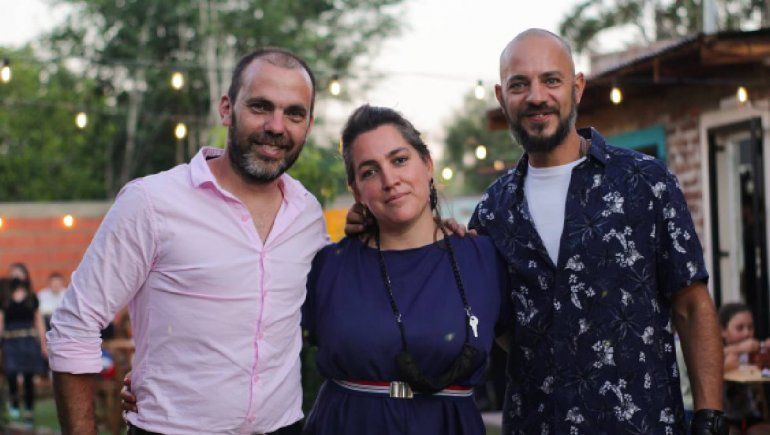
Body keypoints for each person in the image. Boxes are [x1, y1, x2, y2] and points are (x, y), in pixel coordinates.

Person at [346, 28, 725, 434]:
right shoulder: (493, 211)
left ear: (577, 88)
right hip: (536, 424)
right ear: (501, 96)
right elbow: (493, 324)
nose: (536, 96)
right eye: (519, 84)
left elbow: (691, 306)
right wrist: (385, 228)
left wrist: (710, 416)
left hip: (642, 423)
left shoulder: (646, 183)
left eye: (551, 80)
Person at [47, 47, 328, 435]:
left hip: (284, 427)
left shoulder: (309, 216)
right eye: (261, 107)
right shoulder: (152, 202)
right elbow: (74, 325)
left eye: (294, 113)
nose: (277, 126)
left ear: (308, 124)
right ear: (227, 109)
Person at [300, 105, 510, 434]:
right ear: (356, 191)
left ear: (427, 164)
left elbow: (527, 351)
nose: (390, 180)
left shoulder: (482, 258)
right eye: (369, 171)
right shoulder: (329, 266)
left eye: (399, 160)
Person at [0, 275, 47, 425]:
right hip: (11, 341)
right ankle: (14, 404)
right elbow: (0, 322)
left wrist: (43, 343)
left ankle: (28, 411)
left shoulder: (31, 299)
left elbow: (38, 321)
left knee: (28, 377)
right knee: (11, 374)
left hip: (28, 341)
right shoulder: (5, 299)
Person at [719, 302, 770, 434]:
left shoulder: (753, 355)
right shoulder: (720, 353)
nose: (747, 333)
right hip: (725, 417)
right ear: (723, 331)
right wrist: (739, 349)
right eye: (740, 328)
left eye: (750, 327)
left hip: (752, 416)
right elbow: (712, 361)